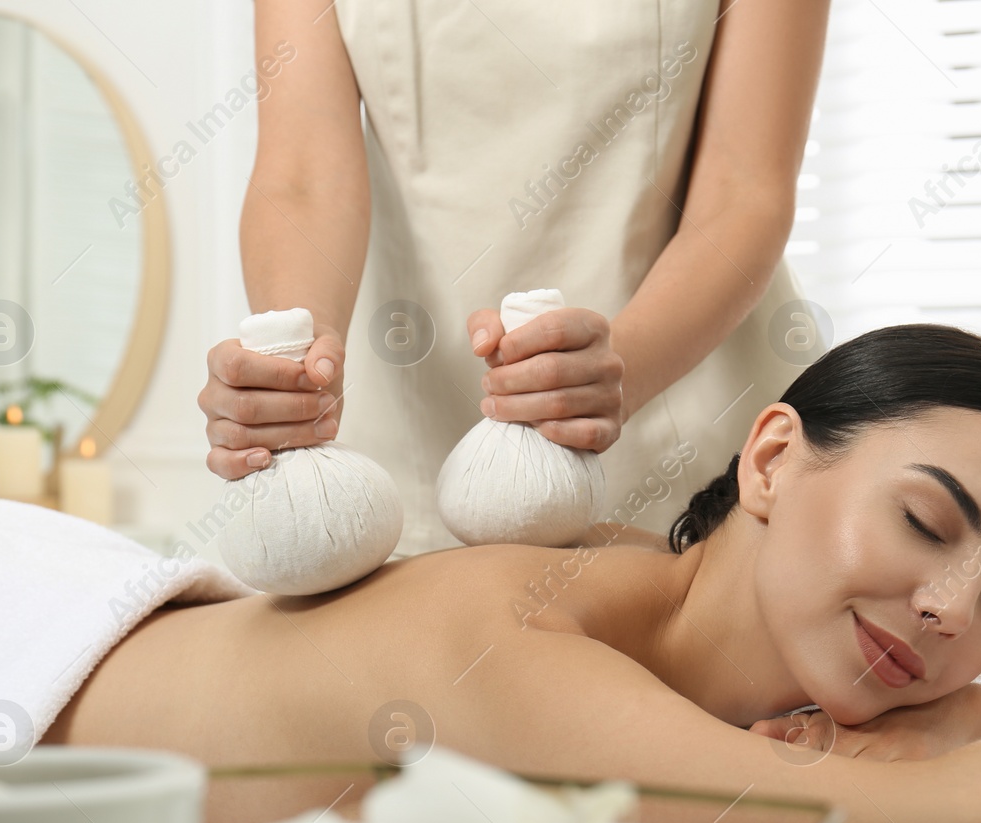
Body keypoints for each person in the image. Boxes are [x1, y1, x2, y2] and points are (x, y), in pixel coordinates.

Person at [50, 323, 981, 823]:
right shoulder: (514, 643)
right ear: (770, 458)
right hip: (5, 640)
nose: (947, 608)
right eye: (923, 521)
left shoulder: (678, 605)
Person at [195, 0, 833, 557]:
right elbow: (303, 174)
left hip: (680, 418)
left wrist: (615, 373)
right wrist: (292, 366)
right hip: (407, 431)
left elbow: (746, 189)